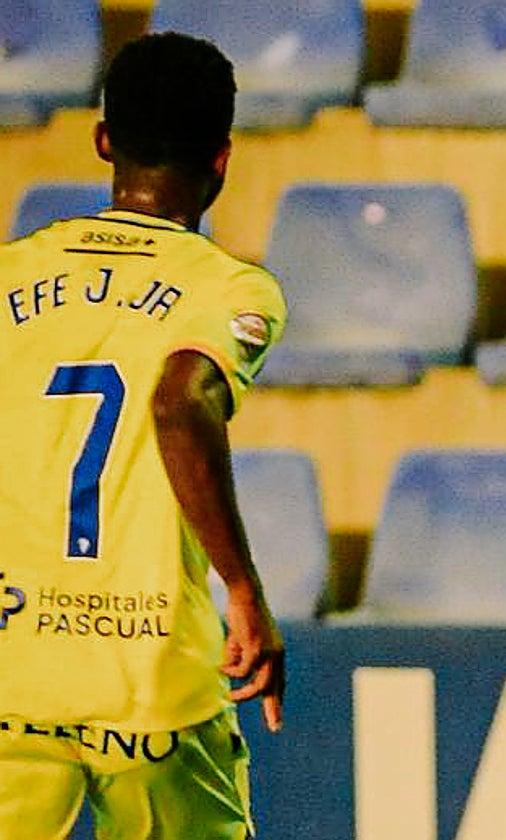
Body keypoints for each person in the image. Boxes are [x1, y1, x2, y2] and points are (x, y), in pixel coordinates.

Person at [0, 32, 286, 838]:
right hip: (152, 682)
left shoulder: (9, 274)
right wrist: (243, 590)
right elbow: (178, 400)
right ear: (223, 159)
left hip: (13, 673)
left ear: (102, 142)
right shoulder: (227, 288)